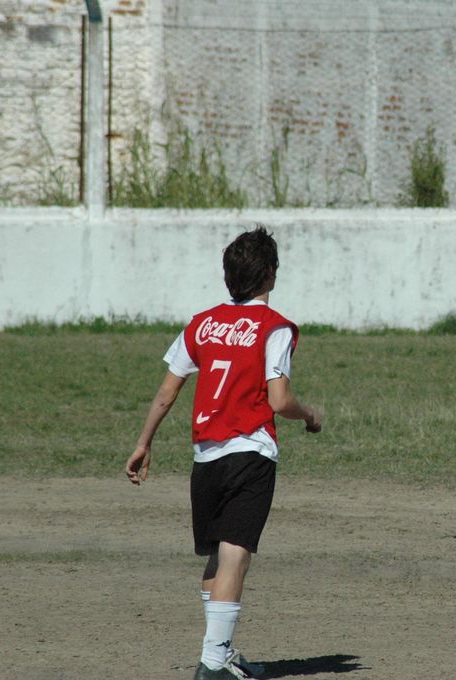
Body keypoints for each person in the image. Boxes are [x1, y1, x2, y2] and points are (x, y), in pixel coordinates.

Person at [125, 225, 322, 679]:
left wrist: (143, 442)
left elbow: (167, 392)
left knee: (218, 553)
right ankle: (213, 662)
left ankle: (222, 653)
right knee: (236, 554)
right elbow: (279, 401)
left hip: (206, 457)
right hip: (250, 452)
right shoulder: (275, 327)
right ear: (269, 274)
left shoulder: (201, 323)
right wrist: (309, 415)